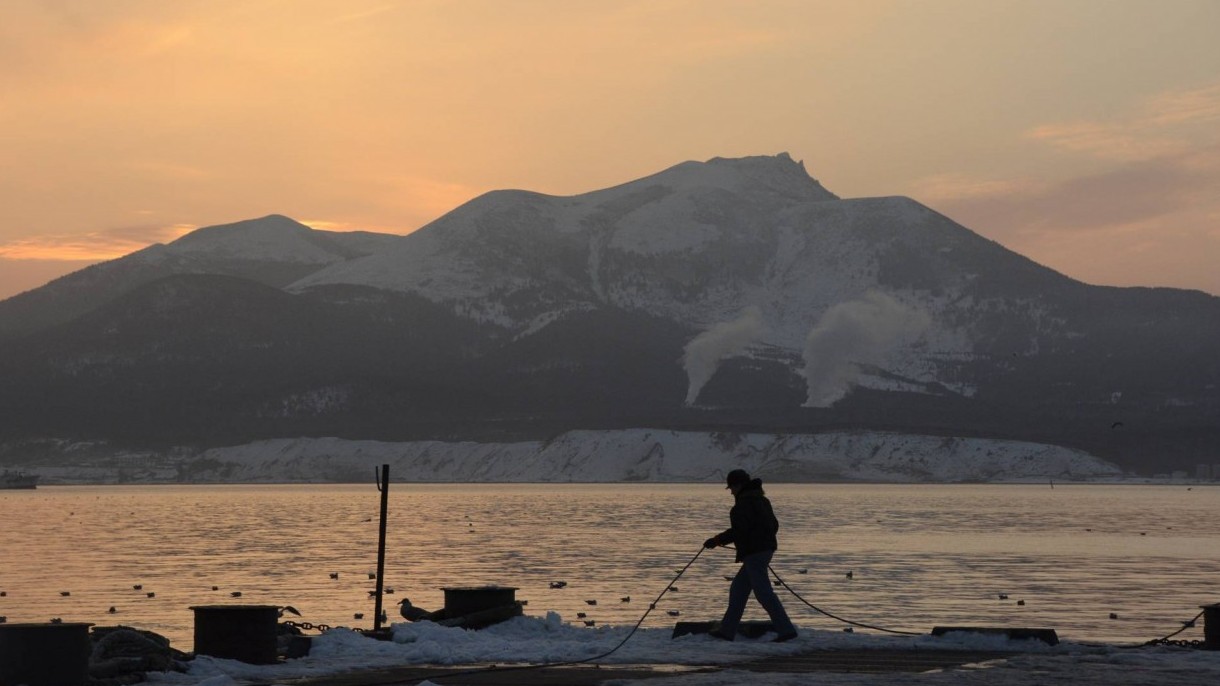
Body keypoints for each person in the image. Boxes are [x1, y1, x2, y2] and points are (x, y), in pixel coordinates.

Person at [703, 469, 798, 642]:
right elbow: (774, 526)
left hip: (755, 554)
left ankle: (786, 630)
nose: (731, 491)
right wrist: (763, 542)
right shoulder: (762, 500)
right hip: (763, 551)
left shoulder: (742, 505)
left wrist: (716, 540)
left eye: (731, 487)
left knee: (763, 593)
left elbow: (739, 531)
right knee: (738, 589)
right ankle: (727, 631)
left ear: (738, 486)